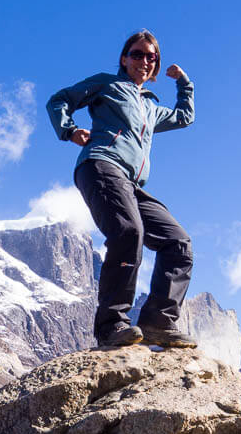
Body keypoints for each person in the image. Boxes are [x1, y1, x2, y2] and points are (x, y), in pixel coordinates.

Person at [46, 30, 197, 348]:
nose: (145, 60)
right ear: (124, 58)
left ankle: (158, 322)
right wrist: (68, 130)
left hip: (131, 183)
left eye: (151, 56)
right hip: (101, 166)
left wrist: (184, 83)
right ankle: (111, 325)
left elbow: (185, 117)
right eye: (138, 54)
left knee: (178, 243)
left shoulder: (151, 108)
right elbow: (60, 100)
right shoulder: (107, 83)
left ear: (156, 65)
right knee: (129, 232)